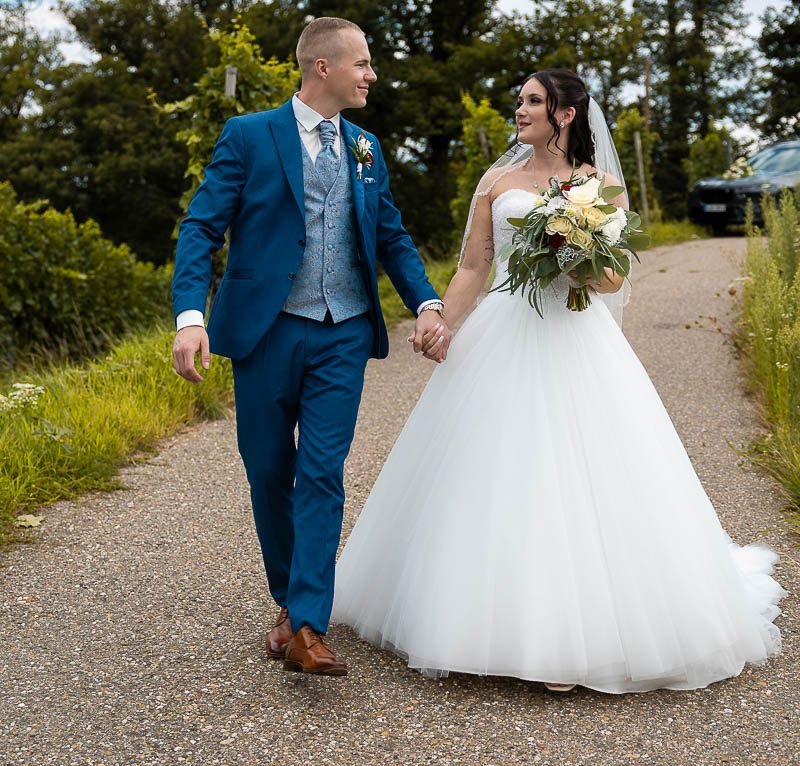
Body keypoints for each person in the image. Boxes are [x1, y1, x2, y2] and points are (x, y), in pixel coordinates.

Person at [332, 68, 785, 693]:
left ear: (567, 114)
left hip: (575, 337)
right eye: (519, 99)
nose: (519, 110)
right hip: (503, 328)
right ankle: (473, 615)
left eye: (533, 101)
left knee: (584, 472)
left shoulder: (599, 187)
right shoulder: (497, 181)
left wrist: (574, 250)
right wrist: (440, 320)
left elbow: (612, 282)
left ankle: (577, 636)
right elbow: (475, 264)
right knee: (491, 471)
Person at [171, 17, 452, 676]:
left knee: (322, 473)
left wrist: (428, 303)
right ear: (321, 67)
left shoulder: (366, 148)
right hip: (265, 332)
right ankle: (287, 600)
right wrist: (190, 317)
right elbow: (200, 227)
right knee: (269, 470)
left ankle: (307, 626)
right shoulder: (249, 136)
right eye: (363, 63)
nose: (371, 75)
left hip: (344, 332)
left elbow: (390, 237)